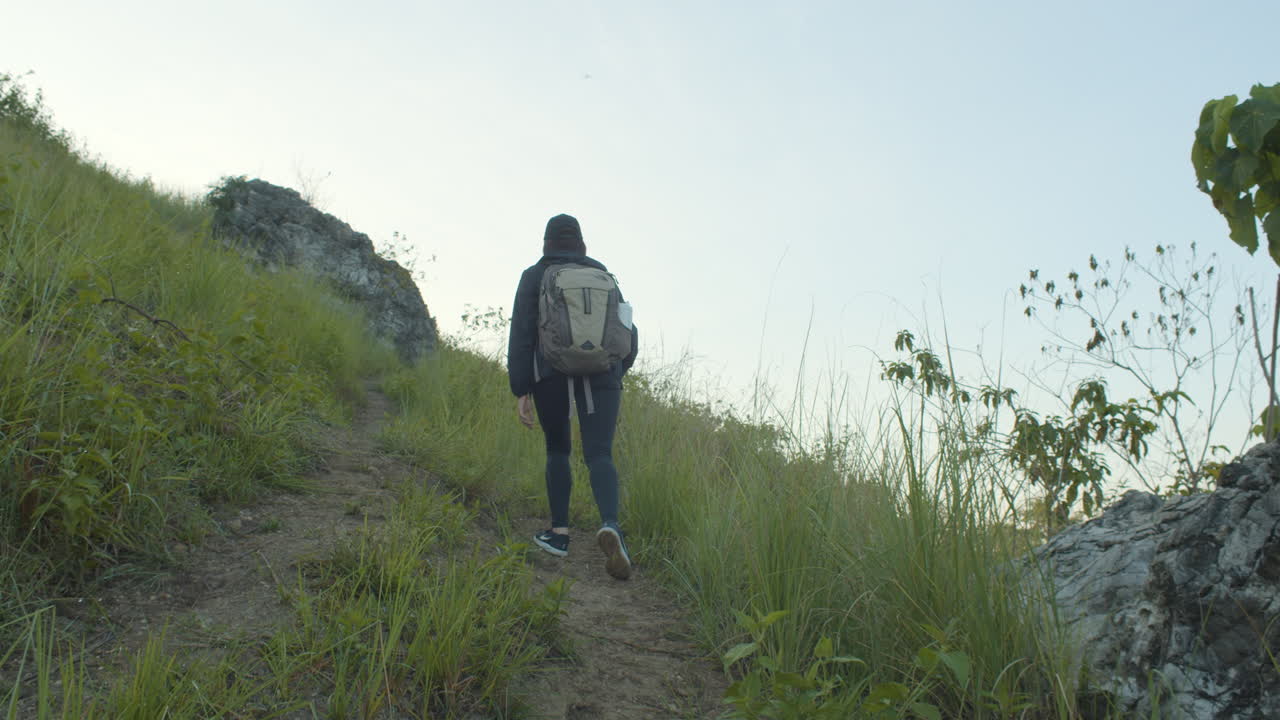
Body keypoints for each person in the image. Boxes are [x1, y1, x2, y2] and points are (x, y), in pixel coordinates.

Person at [507, 213, 639, 580]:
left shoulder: (535, 275)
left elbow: (521, 333)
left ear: (546, 243)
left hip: (550, 374)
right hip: (603, 374)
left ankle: (560, 534)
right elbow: (626, 326)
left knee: (558, 450)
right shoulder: (603, 274)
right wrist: (615, 369)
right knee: (600, 453)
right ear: (582, 244)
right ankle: (611, 525)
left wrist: (521, 388)